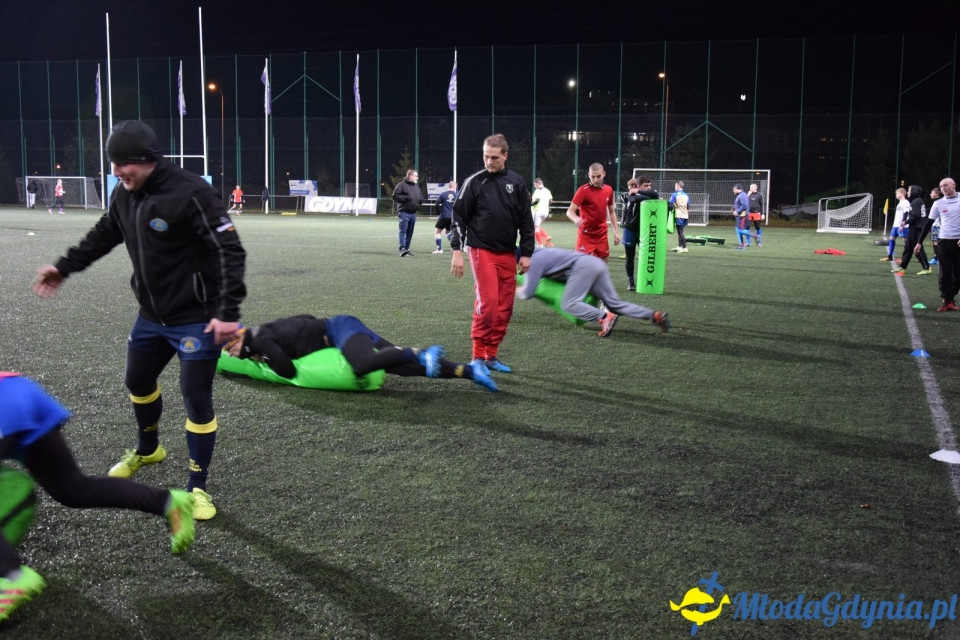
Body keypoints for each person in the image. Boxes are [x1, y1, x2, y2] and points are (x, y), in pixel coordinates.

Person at [32, 120, 247, 521]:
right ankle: (149, 449)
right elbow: (106, 232)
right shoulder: (124, 193)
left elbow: (229, 252)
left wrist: (226, 313)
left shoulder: (192, 193)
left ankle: (196, 488)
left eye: (122, 164)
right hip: (151, 316)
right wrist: (65, 267)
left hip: (195, 320)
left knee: (195, 399)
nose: (116, 172)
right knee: (137, 381)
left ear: (147, 161)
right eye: (113, 164)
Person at [0, 372, 195, 624]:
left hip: (6, 402)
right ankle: (169, 502)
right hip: (17, 392)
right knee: (72, 489)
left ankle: (12, 577)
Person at [223, 314, 498, 392]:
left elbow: (287, 370)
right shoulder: (262, 331)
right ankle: (470, 370)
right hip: (340, 328)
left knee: (362, 365)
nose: (233, 354)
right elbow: (305, 317)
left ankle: (417, 352)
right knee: (396, 366)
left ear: (238, 337)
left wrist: (259, 359)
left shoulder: (258, 340)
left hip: (341, 330)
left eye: (231, 348)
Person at [450, 133, 535, 374]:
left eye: (494, 158)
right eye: (486, 157)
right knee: (488, 304)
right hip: (481, 250)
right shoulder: (474, 182)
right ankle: (477, 357)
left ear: (505, 156)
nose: (489, 161)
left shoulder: (517, 183)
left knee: (505, 308)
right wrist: (457, 250)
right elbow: (458, 216)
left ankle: (491, 356)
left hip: (508, 253)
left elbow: (526, 220)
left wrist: (527, 252)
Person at [517, 248, 670, 337]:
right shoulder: (539, 251)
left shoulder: (532, 260)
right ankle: (654, 315)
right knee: (614, 304)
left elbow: (528, 293)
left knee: (569, 304)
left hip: (582, 267)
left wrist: (514, 287)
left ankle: (603, 317)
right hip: (595, 263)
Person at [916, 178, 959, 312]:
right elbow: (928, 223)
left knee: (958, 274)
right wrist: (919, 242)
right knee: (944, 273)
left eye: (946, 185)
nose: (943, 188)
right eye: (941, 187)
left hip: (958, 242)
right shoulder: (938, 204)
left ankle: (950, 297)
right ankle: (947, 301)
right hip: (943, 241)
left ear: (954, 185)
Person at [566, 163, 620, 261]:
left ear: (604, 174)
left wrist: (616, 232)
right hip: (586, 235)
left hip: (601, 234)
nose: (595, 180)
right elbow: (570, 211)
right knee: (580, 265)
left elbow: (611, 212)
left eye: (598, 176)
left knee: (603, 267)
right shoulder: (583, 190)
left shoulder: (608, 190)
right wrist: (576, 218)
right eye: (592, 177)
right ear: (588, 175)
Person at [621, 177, 660, 291]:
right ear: (638, 186)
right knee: (630, 257)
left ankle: (647, 281)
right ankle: (631, 281)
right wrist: (640, 194)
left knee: (647, 257)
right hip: (630, 230)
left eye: (649, 185)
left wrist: (639, 192)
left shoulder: (641, 192)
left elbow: (655, 195)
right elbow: (634, 200)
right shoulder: (631, 195)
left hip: (644, 232)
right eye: (646, 186)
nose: (649, 188)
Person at [893, 185, 931, 275]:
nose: (908, 192)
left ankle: (927, 267)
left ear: (914, 191)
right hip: (914, 227)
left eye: (909, 190)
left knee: (917, 248)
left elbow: (915, 216)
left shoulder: (916, 201)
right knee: (908, 247)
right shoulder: (915, 201)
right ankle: (903, 267)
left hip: (917, 227)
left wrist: (905, 222)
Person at [392, 169, 423, 257]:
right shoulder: (401, 185)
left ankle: (407, 248)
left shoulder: (416, 186)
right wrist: (405, 198)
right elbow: (395, 196)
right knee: (403, 231)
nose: (417, 177)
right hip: (404, 212)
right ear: (410, 176)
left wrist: (421, 200)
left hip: (413, 213)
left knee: (410, 232)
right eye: (416, 175)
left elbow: (419, 196)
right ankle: (402, 249)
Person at [882, 187, 910, 262]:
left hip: (903, 226)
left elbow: (906, 213)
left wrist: (903, 223)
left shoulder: (906, 202)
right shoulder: (900, 203)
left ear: (901, 193)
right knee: (891, 239)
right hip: (895, 225)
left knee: (906, 242)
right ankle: (890, 256)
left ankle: (906, 258)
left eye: (897, 193)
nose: (896, 195)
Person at [433, 181, 456, 254]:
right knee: (448, 232)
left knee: (437, 232)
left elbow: (436, 204)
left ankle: (439, 249)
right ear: (455, 186)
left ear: (449, 186)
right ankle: (455, 246)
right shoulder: (457, 195)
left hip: (443, 216)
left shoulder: (443, 194)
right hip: (453, 217)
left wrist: (438, 213)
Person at [531, 178, 555, 248]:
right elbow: (551, 201)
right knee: (536, 226)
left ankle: (540, 244)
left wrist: (529, 205)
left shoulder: (537, 191)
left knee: (536, 227)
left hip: (537, 211)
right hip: (545, 211)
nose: (534, 186)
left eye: (535, 184)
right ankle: (546, 236)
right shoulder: (547, 190)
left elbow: (536, 201)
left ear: (538, 184)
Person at [669, 181, 690, 253]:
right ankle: (679, 246)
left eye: (675, 186)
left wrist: (674, 207)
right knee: (681, 231)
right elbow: (688, 206)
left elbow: (671, 205)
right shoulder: (686, 195)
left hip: (679, 215)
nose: (674, 187)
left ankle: (684, 247)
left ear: (678, 186)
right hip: (685, 215)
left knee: (680, 232)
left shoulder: (674, 194)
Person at [747, 182, 765, 247]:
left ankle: (758, 241)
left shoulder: (759, 195)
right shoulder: (748, 195)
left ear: (755, 187)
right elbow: (744, 202)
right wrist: (748, 195)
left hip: (756, 213)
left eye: (752, 187)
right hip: (749, 213)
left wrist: (763, 213)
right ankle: (748, 242)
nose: (750, 188)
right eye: (750, 187)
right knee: (747, 227)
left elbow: (762, 204)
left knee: (757, 227)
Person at [732, 183, 750, 249]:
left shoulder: (742, 195)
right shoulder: (740, 195)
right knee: (738, 229)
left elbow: (745, 205)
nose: (733, 191)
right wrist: (735, 209)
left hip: (742, 216)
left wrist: (737, 211)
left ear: (737, 189)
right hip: (740, 215)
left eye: (734, 189)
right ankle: (741, 245)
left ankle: (755, 236)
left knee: (740, 230)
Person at [929, 187, 942, 265]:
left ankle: (937, 258)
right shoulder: (937, 202)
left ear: (937, 194)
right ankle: (937, 257)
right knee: (935, 242)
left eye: (932, 193)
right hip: (936, 225)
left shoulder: (938, 202)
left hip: (937, 225)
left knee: (936, 242)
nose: (930, 194)